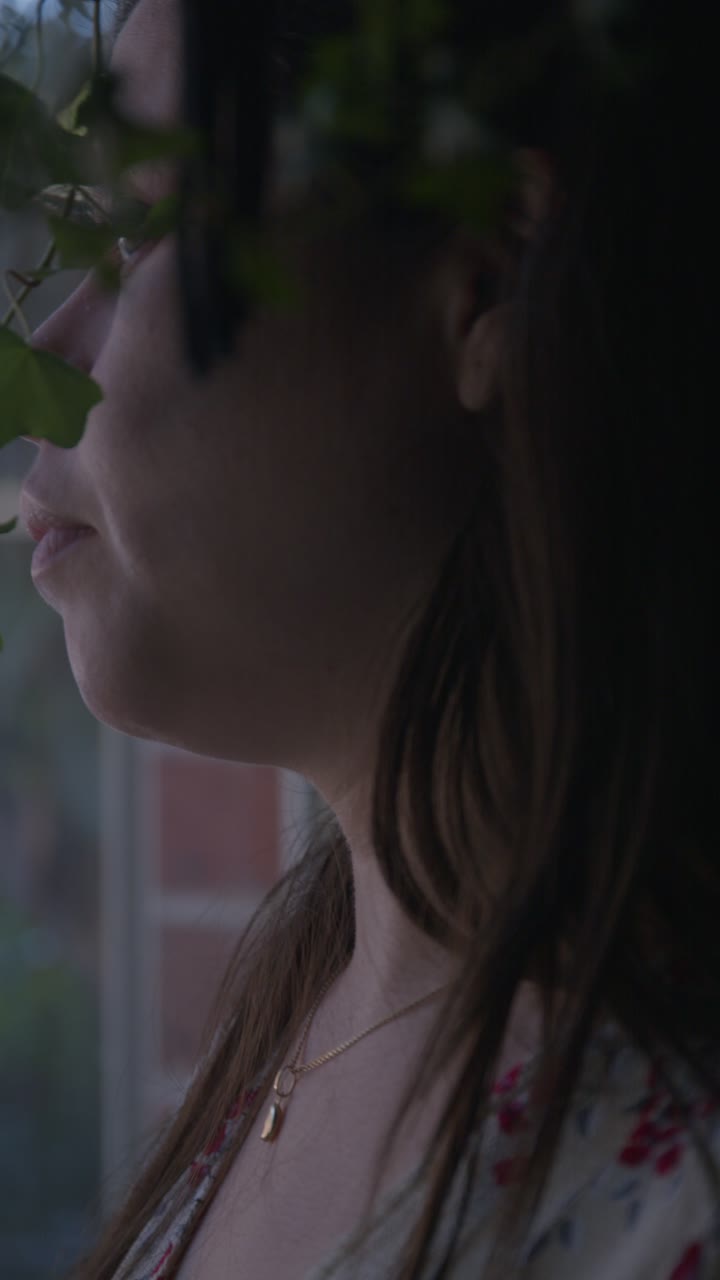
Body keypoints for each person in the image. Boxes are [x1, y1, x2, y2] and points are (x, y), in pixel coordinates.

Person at [18, 0, 719, 1276]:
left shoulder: (671, 1194)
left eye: (132, 231)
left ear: (491, 281)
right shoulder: (311, 1017)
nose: (47, 353)